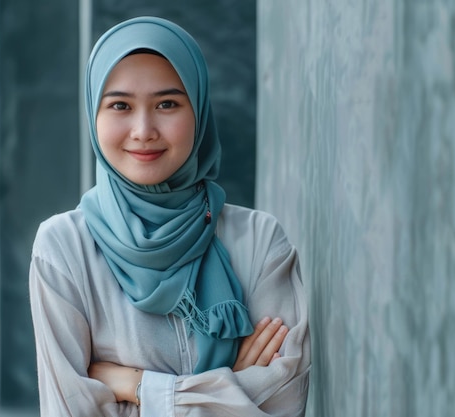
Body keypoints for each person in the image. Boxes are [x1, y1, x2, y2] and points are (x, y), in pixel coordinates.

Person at [29, 16, 310, 416]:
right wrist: (232, 386)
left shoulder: (261, 242)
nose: (144, 130)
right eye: (120, 105)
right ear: (94, 114)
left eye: (167, 104)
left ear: (198, 110)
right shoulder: (63, 248)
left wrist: (137, 387)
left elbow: (282, 405)